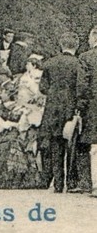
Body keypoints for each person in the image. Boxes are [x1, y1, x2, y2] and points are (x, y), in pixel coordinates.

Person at [38, 33, 86, 193]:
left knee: (55, 145)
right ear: (77, 45)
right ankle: (71, 183)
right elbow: (81, 87)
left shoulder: (49, 63)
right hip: (71, 109)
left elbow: (42, 88)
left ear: (60, 44)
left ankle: (58, 183)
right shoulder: (79, 63)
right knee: (72, 146)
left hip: (52, 109)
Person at [78, 25, 97, 197]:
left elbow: (82, 86)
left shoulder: (86, 57)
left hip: (92, 107)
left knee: (89, 145)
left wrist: (80, 106)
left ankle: (90, 184)